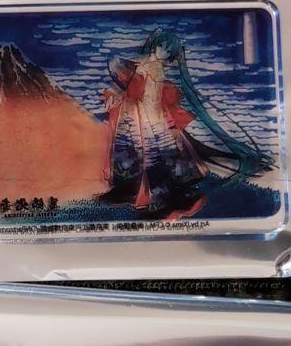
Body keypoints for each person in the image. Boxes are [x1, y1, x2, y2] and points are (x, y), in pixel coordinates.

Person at [102, 27, 269, 219]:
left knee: (156, 159)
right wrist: (122, 93)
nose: (165, 53)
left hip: (151, 117)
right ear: (156, 46)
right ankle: (128, 190)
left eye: (169, 51)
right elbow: (125, 78)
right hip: (136, 115)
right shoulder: (145, 64)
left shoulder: (155, 68)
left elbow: (148, 95)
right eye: (163, 47)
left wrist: (147, 112)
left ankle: (163, 199)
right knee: (132, 153)